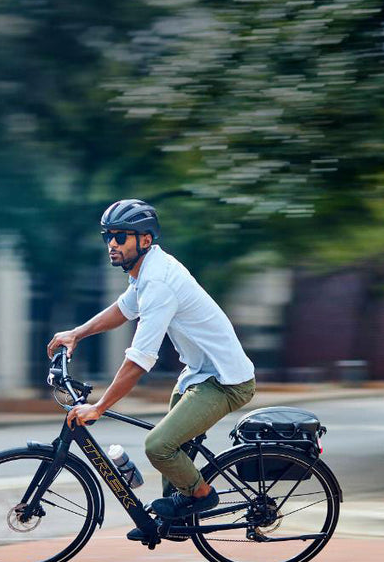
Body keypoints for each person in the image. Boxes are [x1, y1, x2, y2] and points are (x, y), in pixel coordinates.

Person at [47, 199, 256, 539]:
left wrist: (99, 407)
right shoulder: (145, 275)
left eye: (121, 236)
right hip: (198, 375)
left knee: (159, 446)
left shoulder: (159, 282)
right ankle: (174, 523)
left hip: (226, 382)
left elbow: (139, 359)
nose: (112, 244)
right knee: (173, 453)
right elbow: (122, 310)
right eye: (107, 237)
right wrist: (77, 333)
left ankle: (203, 497)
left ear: (145, 240)